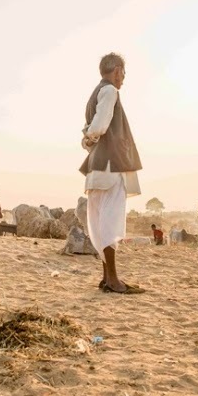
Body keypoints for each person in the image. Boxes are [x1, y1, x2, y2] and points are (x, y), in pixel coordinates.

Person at [81, 52, 145, 294]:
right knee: (110, 221)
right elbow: (99, 126)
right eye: (124, 73)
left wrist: (88, 139)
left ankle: (107, 277)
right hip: (110, 166)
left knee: (100, 221)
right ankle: (113, 279)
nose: (124, 78)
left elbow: (90, 131)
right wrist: (92, 135)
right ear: (117, 70)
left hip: (97, 166)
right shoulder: (109, 91)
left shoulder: (95, 93)